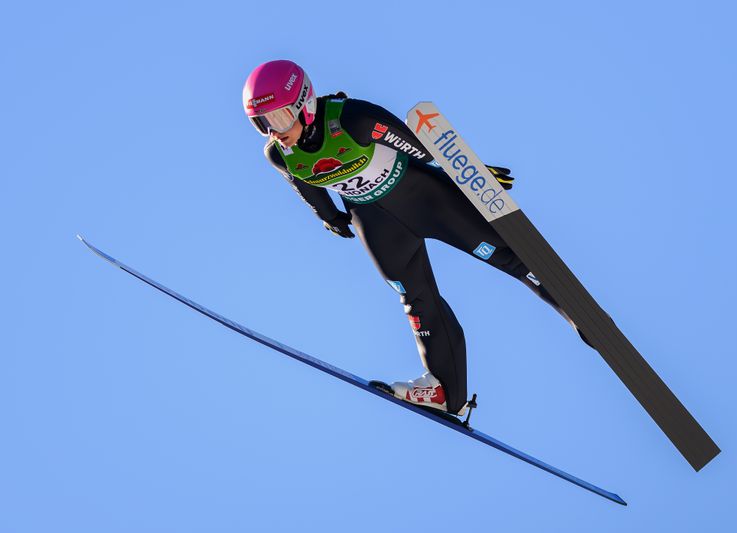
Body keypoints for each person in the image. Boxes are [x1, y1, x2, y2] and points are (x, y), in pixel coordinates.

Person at [243, 60, 585, 415]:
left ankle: (578, 312)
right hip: (376, 223)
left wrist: (472, 175)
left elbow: (421, 147)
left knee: (505, 255)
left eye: (279, 118)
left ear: (305, 104)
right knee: (415, 299)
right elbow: (306, 187)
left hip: (424, 197)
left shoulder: (352, 118)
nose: (273, 131)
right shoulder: (278, 153)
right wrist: (329, 217)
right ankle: (446, 391)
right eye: (261, 124)